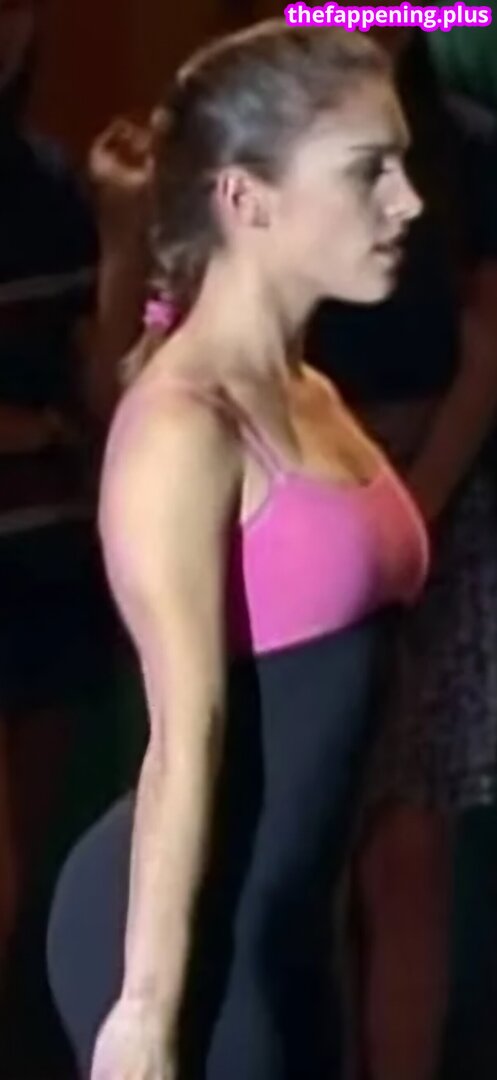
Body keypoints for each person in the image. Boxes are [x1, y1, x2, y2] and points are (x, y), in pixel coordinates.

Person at [46, 20, 427, 1080]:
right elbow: (184, 739)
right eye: (368, 170)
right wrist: (143, 1014)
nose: (406, 201)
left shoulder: (309, 392)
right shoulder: (185, 427)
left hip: (285, 928)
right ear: (246, 198)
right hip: (185, 940)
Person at [306, 27, 497, 1080]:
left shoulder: (468, 146)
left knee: (407, 849)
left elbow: (485, 351)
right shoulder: (272, 136)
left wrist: (407, 514)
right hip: (298, 505)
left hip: (439, 513)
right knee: (306, 847)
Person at [0, 0, 153, 999]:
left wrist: (123, 234)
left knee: (26, 863)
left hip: (46, 560)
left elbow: (103, 393)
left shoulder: (49, 183)